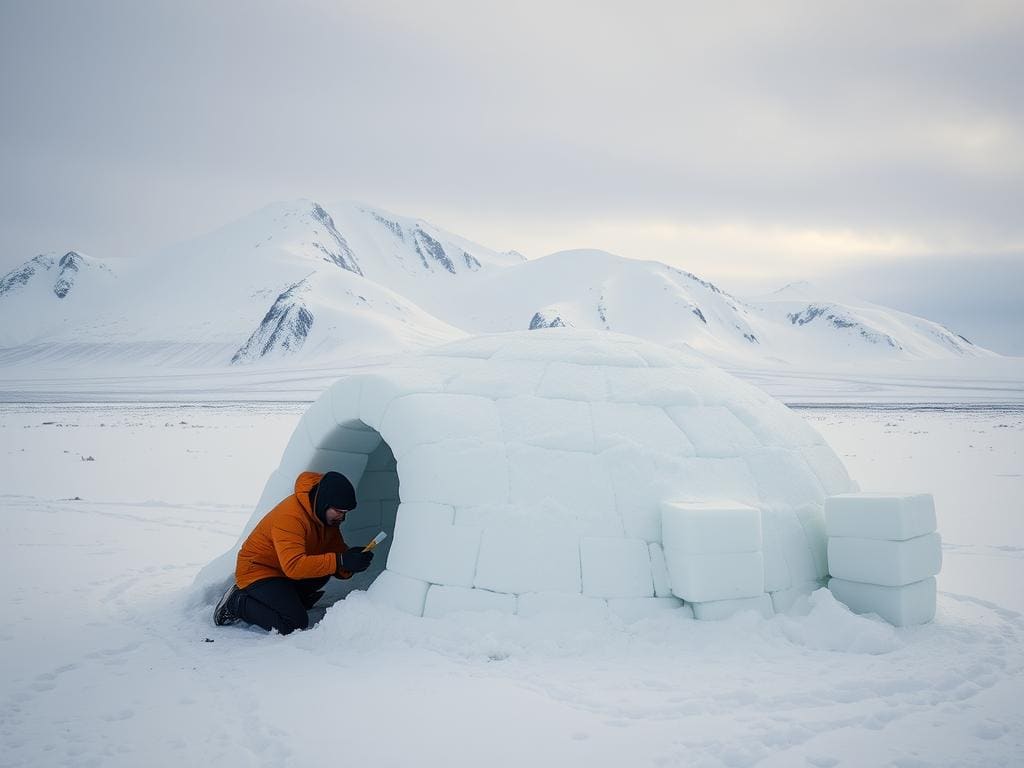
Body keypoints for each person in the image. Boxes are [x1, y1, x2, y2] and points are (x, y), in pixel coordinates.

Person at [212, 470, 374, 634]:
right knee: (294, 623)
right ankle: (237, 602)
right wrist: (340, 561)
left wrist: (351, 561)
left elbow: (334, 551)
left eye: (345, 513)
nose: (342, 517)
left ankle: (292, 599)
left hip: (282, 570)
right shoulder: (291, 516)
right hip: (258, 570)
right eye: (339, 511)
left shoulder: (325, 518)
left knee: (323, 568)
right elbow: (294, 566)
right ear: (324, 502)